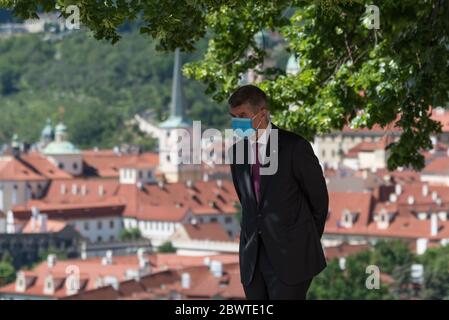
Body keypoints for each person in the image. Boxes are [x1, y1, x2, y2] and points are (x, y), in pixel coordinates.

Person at [228, 84, 329, 300]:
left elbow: (319, 200)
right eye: (233, 117)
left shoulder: (294, 147)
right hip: (252, 259)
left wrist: (303, 239)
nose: (237, 123)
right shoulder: (237, 152)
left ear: (262, 113)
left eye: (243, 115)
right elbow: (248, 202)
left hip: (292, 257)